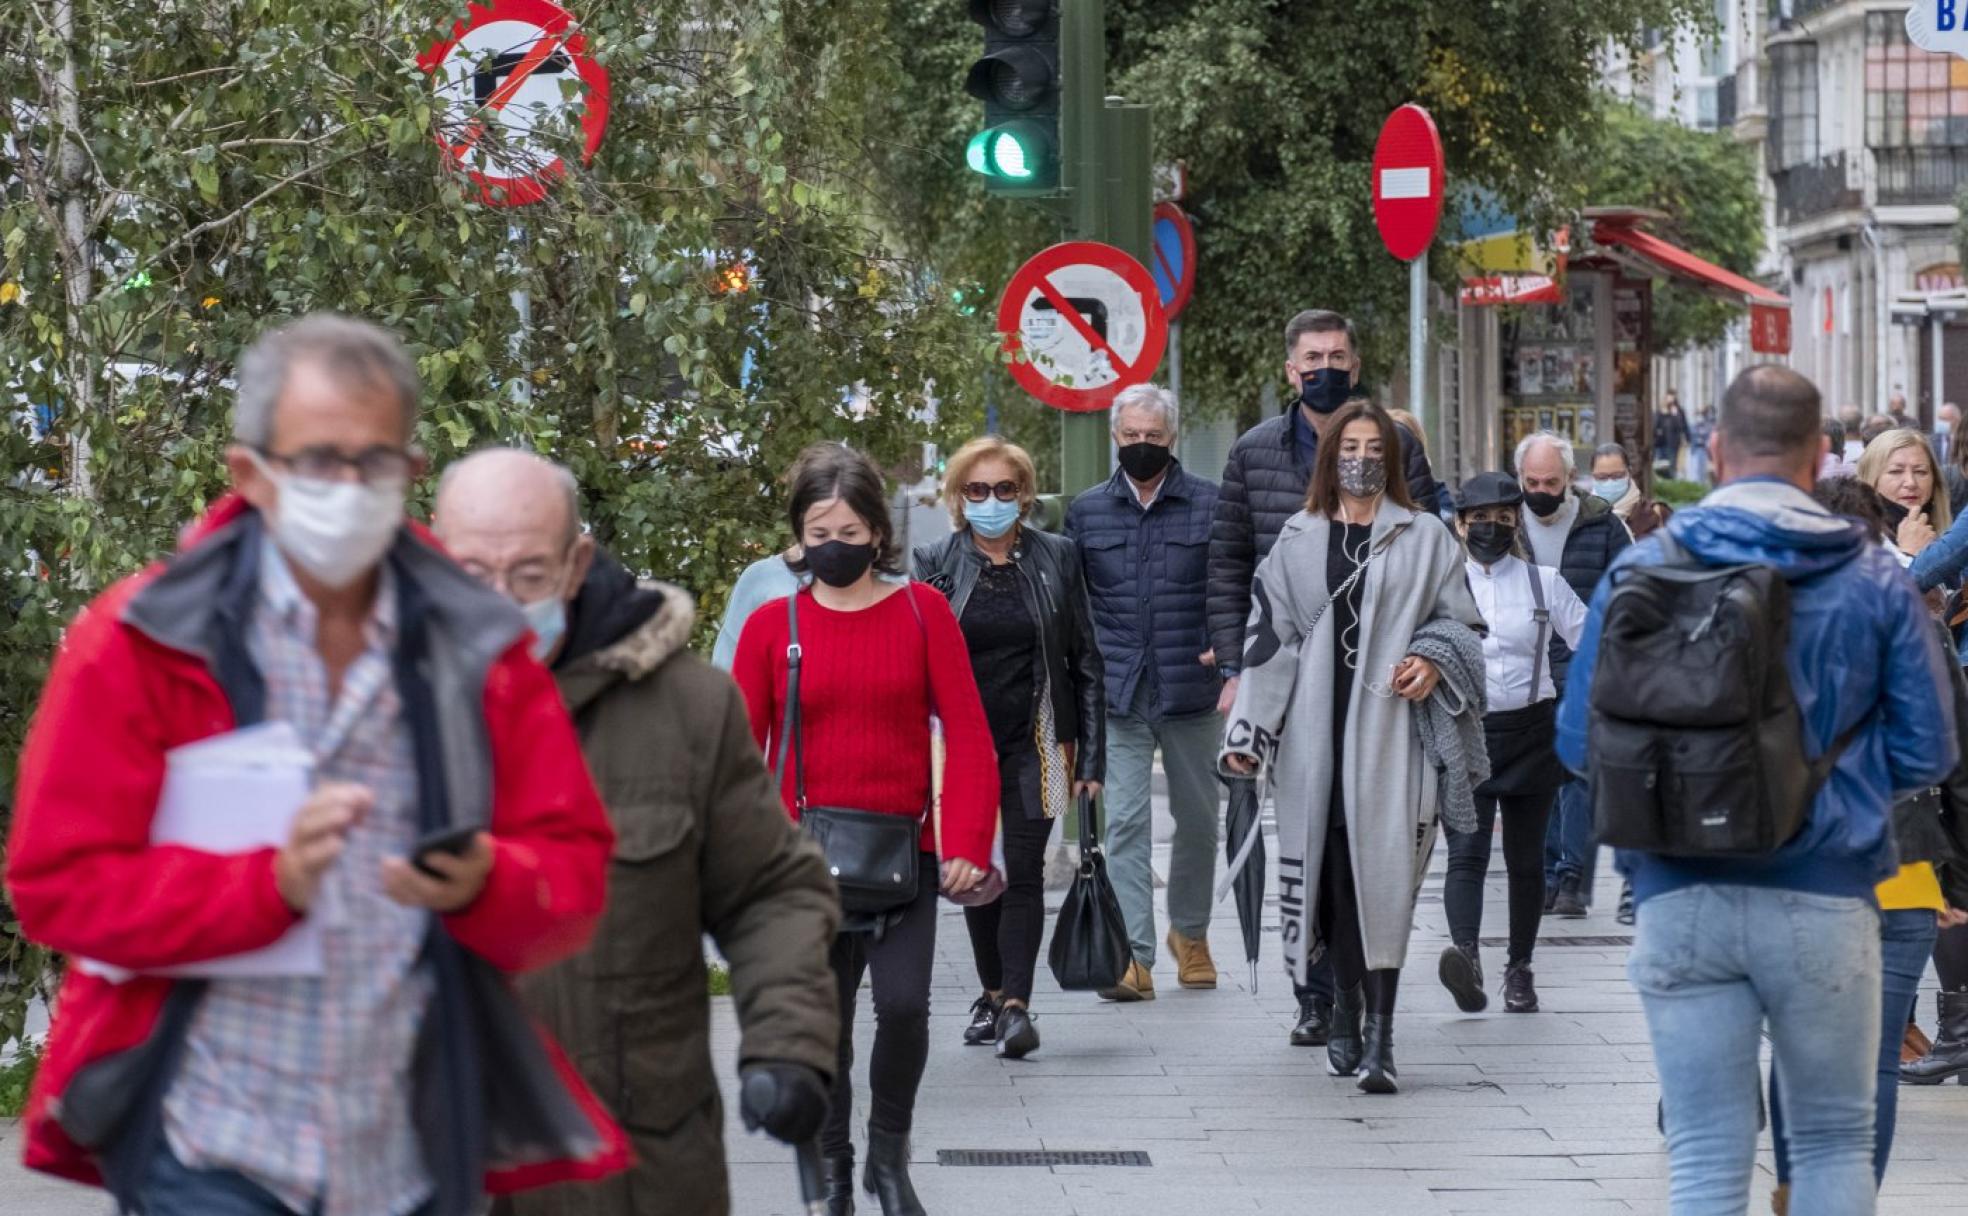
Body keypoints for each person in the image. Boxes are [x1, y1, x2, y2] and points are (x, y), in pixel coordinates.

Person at [6, 314, 627, 1215]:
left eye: (374, 462)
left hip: (410, 1153)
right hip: (213, 1147)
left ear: (411, 474)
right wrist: (267, 888)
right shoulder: (139, 639)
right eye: (318, 461)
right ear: (251, 473)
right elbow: (55, 885)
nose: (348, 486)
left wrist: (490, 881)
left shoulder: (476, 646)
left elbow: (571, 874)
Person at [1556, 364, 1958, 1216]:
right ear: (1821, 457)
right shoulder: (1875, 576)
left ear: (1712, 450)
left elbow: (1575, 740)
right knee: (1831, 1146)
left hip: (1679, 893)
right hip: (1829, 896)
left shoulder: (1645, 569)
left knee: (1704, 1159)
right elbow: (1928, 749)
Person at [434, 449, 842, 1216]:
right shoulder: (369, 709)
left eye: (527, 574)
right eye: (470, 573)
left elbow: (771, 890)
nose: (496, 600)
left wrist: (788, 1045)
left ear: (576, 562)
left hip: (633, 1173)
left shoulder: (687, 710)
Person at [732, 443, 999, 1216]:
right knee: (827, 1027)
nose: (835, 546)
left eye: (850, 530)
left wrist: (969, 846)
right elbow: (736, 757)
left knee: (907, 1007)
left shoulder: (924, 613)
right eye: (820, 530)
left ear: (878, 534)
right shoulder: (769, 628)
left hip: (903, 855)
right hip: (799, 866)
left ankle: (889, 1153)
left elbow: (972, 737)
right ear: (798, 535)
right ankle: (837, 1168)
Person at [1221, 401, 1485, 1095]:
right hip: (1314, 738)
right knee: (1332, 886)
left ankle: (1381, 1038)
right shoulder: (1298, 537)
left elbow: (1460, 624)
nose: (1362, 458)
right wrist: (1249, 737)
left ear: (1393, 460)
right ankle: (1341, 1005)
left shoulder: (1425, 536)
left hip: (1394, 737)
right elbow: (1267, 639)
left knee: (1387, 883)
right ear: (1328, 455)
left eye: (1376, 447)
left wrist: (1430, 658)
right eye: (1350, 445)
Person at [1208, 308, 1444, 1049]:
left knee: (1368, 858)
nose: (1326, 365)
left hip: (1384, 707)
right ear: (1291, 367)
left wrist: (1433, 654)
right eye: (1313, 355)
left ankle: (1362, 1006)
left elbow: (1439, 571)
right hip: (1302, 697)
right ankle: (1318, 994)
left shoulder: (1403, 459)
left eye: (1338, 353)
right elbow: (1232, 568)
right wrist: (1238, 673)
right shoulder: (1255, 457)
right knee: (1309, 848)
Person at [1760, 475, 1968, 1213]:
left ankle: (1796, 1193)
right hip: (1904, 870)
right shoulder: (1917, 623)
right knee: (1874, 1062)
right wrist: (1958, 884)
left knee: (1800, 1051)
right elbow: (1958, 766)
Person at [916, 436, 1105, 1053]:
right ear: (957, 496)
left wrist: (1092, 758)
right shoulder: (934, 562)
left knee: (1021, 871)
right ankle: (993, 992)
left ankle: (1017, 1007)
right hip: (962, 750)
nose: (990, 501)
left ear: (1023, 495)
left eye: (1003, 489)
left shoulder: (1059, 557)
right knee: (976, 874)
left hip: (1038, 741)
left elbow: (1086, 662)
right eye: (977, 490)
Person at [1066, 384, 1220, 1001]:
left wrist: (1223, 647)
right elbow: (1074, 603)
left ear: (1172, 437)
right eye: (1131, 436)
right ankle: (1135, 955)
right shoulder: (1087, 512)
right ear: (1114, 437)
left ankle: (1191, 933)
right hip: (1119, 692)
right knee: (1125, 822)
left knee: (1200, 822)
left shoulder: (1210, 504)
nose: (1141, 446)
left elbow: (1230, 586)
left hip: (1191, 687)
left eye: (1152, 437)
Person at [1438, 473, 1588, 1017]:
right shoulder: (1442, 585)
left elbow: (1592, 641)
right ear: (1460, 524)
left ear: (1516, 523)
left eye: (1504, 519)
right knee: (1467, 855)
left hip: (1531, 731)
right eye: (1480, 520)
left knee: (1526, 862)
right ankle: (1467, 959)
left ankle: (1520, 969)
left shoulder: (1544, 582)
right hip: (1467, 732)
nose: (1491, 529)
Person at [1516, 430, 1631, 917]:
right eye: (1531, 481)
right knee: (1537, 776)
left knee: (1577, 773)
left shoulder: (1601, 524)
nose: (1540, 491)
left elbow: (1630, 589)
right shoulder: (1503, 518)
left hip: (1584, 662)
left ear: (1570, 479)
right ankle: (1543, 873)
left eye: (1551, 482)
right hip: (1522, 664)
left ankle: (1571, 878)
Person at [1856, 428, 1947, 566]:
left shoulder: (1950, 533)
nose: (1911, 482)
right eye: (1896, 471)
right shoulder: (1854, 537)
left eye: (1920, 471)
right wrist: (1908, 554)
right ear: (1871, 479)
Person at [1589, 442, 1671, 539]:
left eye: (1617, 476)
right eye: (1602, 477)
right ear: (1592, 476)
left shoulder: (1656, 514)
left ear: (1629, 473)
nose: (1610, 482)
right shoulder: (1582, 518)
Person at [1653, 390, 1689, 478]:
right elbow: (1654, 425)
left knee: (1671, 466)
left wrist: (1675, 414)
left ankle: (1670, 482)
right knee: (1660, 466)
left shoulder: (1678, 412)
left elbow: (1682, 426)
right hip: (1660, 443)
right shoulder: (1660, 411)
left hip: (1673, 443)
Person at [1689, 404, 1717, 484]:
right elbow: (1692, 434)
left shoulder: (1710, 425)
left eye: (1702, 414)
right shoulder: (1694, 425)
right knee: (1696, 471)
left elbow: (1709, 435)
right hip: (1696, 450)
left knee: (1705, 472)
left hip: (1706, 451)